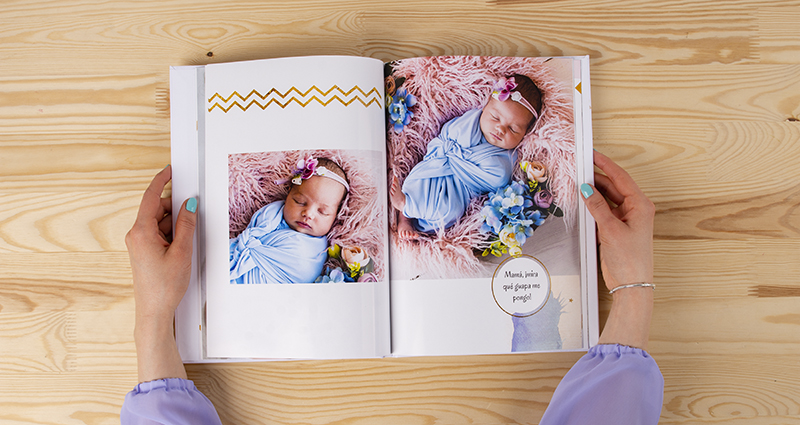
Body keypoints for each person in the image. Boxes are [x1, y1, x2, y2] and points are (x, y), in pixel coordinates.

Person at [121, 151, 663, 424]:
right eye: (300, 202)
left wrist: (153, 315)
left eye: (324, 210)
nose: (309, 214)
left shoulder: (309, 241)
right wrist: (633, 290)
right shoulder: (271, 220)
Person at [389, 74, 542, 240]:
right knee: (418, 182)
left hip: (459, 189)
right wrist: (453, 154)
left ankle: (408, 210)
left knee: (450, 210)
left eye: (513, 129)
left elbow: (498, 180)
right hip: (440, 164)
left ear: (525, 134)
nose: (500, 129)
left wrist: (458, 156)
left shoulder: (506, 159)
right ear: (485, 108)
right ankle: (404, 214)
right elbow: (446, 134)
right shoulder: (471, 121)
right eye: (495, 117)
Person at [229, 156, 349, 284]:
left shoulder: (316, 252)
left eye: (322, 212)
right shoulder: (272, 214)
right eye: (300, 202)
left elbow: (304, 273)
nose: (308, 213)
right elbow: (246, 239)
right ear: (289, 195)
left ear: (336, 215)